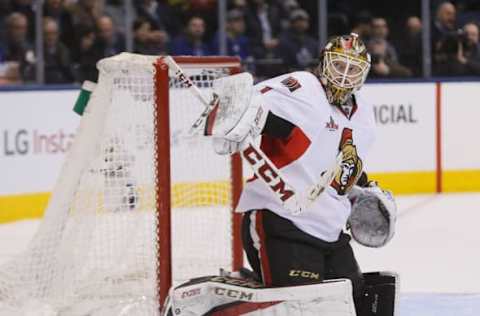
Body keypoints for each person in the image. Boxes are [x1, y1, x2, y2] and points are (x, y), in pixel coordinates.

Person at [209, 33, 398, 315]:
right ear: (323, 63)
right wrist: (237, 115)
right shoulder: (302, 87)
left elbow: (341, 163)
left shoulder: (365, 117)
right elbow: (245, 101)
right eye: (338, 66)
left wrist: (365, 188)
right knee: (300, 308)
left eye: (353, 69)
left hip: (330, 232)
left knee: (361, 304)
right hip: (280, 221)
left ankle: (249, 281)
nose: (345, 77)